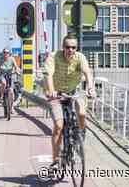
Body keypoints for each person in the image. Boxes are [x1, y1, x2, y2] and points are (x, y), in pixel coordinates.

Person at [44, 33, 96, 168]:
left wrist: (90, 88)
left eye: (73, 47)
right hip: (56, 94)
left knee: (82, 113)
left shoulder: (80, 58)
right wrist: (51, 91)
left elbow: (87, 73)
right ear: (63, 47)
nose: (70, 50)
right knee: (59, 126)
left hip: (73, 92)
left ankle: (81, 133)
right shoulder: (54, 56)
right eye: (68, 47)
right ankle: (55, 160)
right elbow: (49, 74)